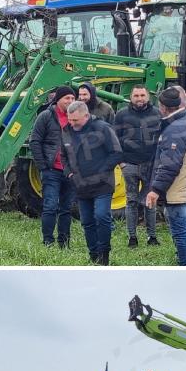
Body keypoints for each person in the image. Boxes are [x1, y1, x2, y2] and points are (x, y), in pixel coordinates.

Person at [146, 87, 186, 266]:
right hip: (185, 185)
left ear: (163, 107)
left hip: (177, 187)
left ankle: (185, 269)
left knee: (180, 232)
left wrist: (155, 189)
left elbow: (170, 165)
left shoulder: (175, 129)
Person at [61, 101, 123, 265]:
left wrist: (102, 172)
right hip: (81, 185)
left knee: (102, 216)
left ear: (86, 116)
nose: (72, 123)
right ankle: (93, 255)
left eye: (76, 120)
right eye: (70, 120)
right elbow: (63, 156)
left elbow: (116, 153)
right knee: (87, 221)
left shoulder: (102, 128)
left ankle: (104, 254)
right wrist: (69, 173)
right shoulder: (66, 131)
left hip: (102, 184)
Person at [112, 84, 161, 247]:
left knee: (150, 201)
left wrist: (157, 162)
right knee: (131, 200)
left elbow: (162, 139)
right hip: (129, 165)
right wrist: (121, 162)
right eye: (136, 95)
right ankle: (132, 237)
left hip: (150, 165)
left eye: (142, 95)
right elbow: (114, 140)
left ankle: (152, 237)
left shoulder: (157, 114)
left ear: (148, 96)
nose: (139, 98)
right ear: (131, 97)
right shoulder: (121, 115)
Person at [29, 86, 78, 248]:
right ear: (58, 99)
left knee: (66, 209)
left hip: (70, 171)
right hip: (51, 170)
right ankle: (48, 242)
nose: (70, 101)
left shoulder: (77, 117)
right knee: (50, 206)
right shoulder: (46, 116)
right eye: (67, 98)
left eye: (73, 98)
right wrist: (43, 166)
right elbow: (35, 141)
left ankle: (64, 242)